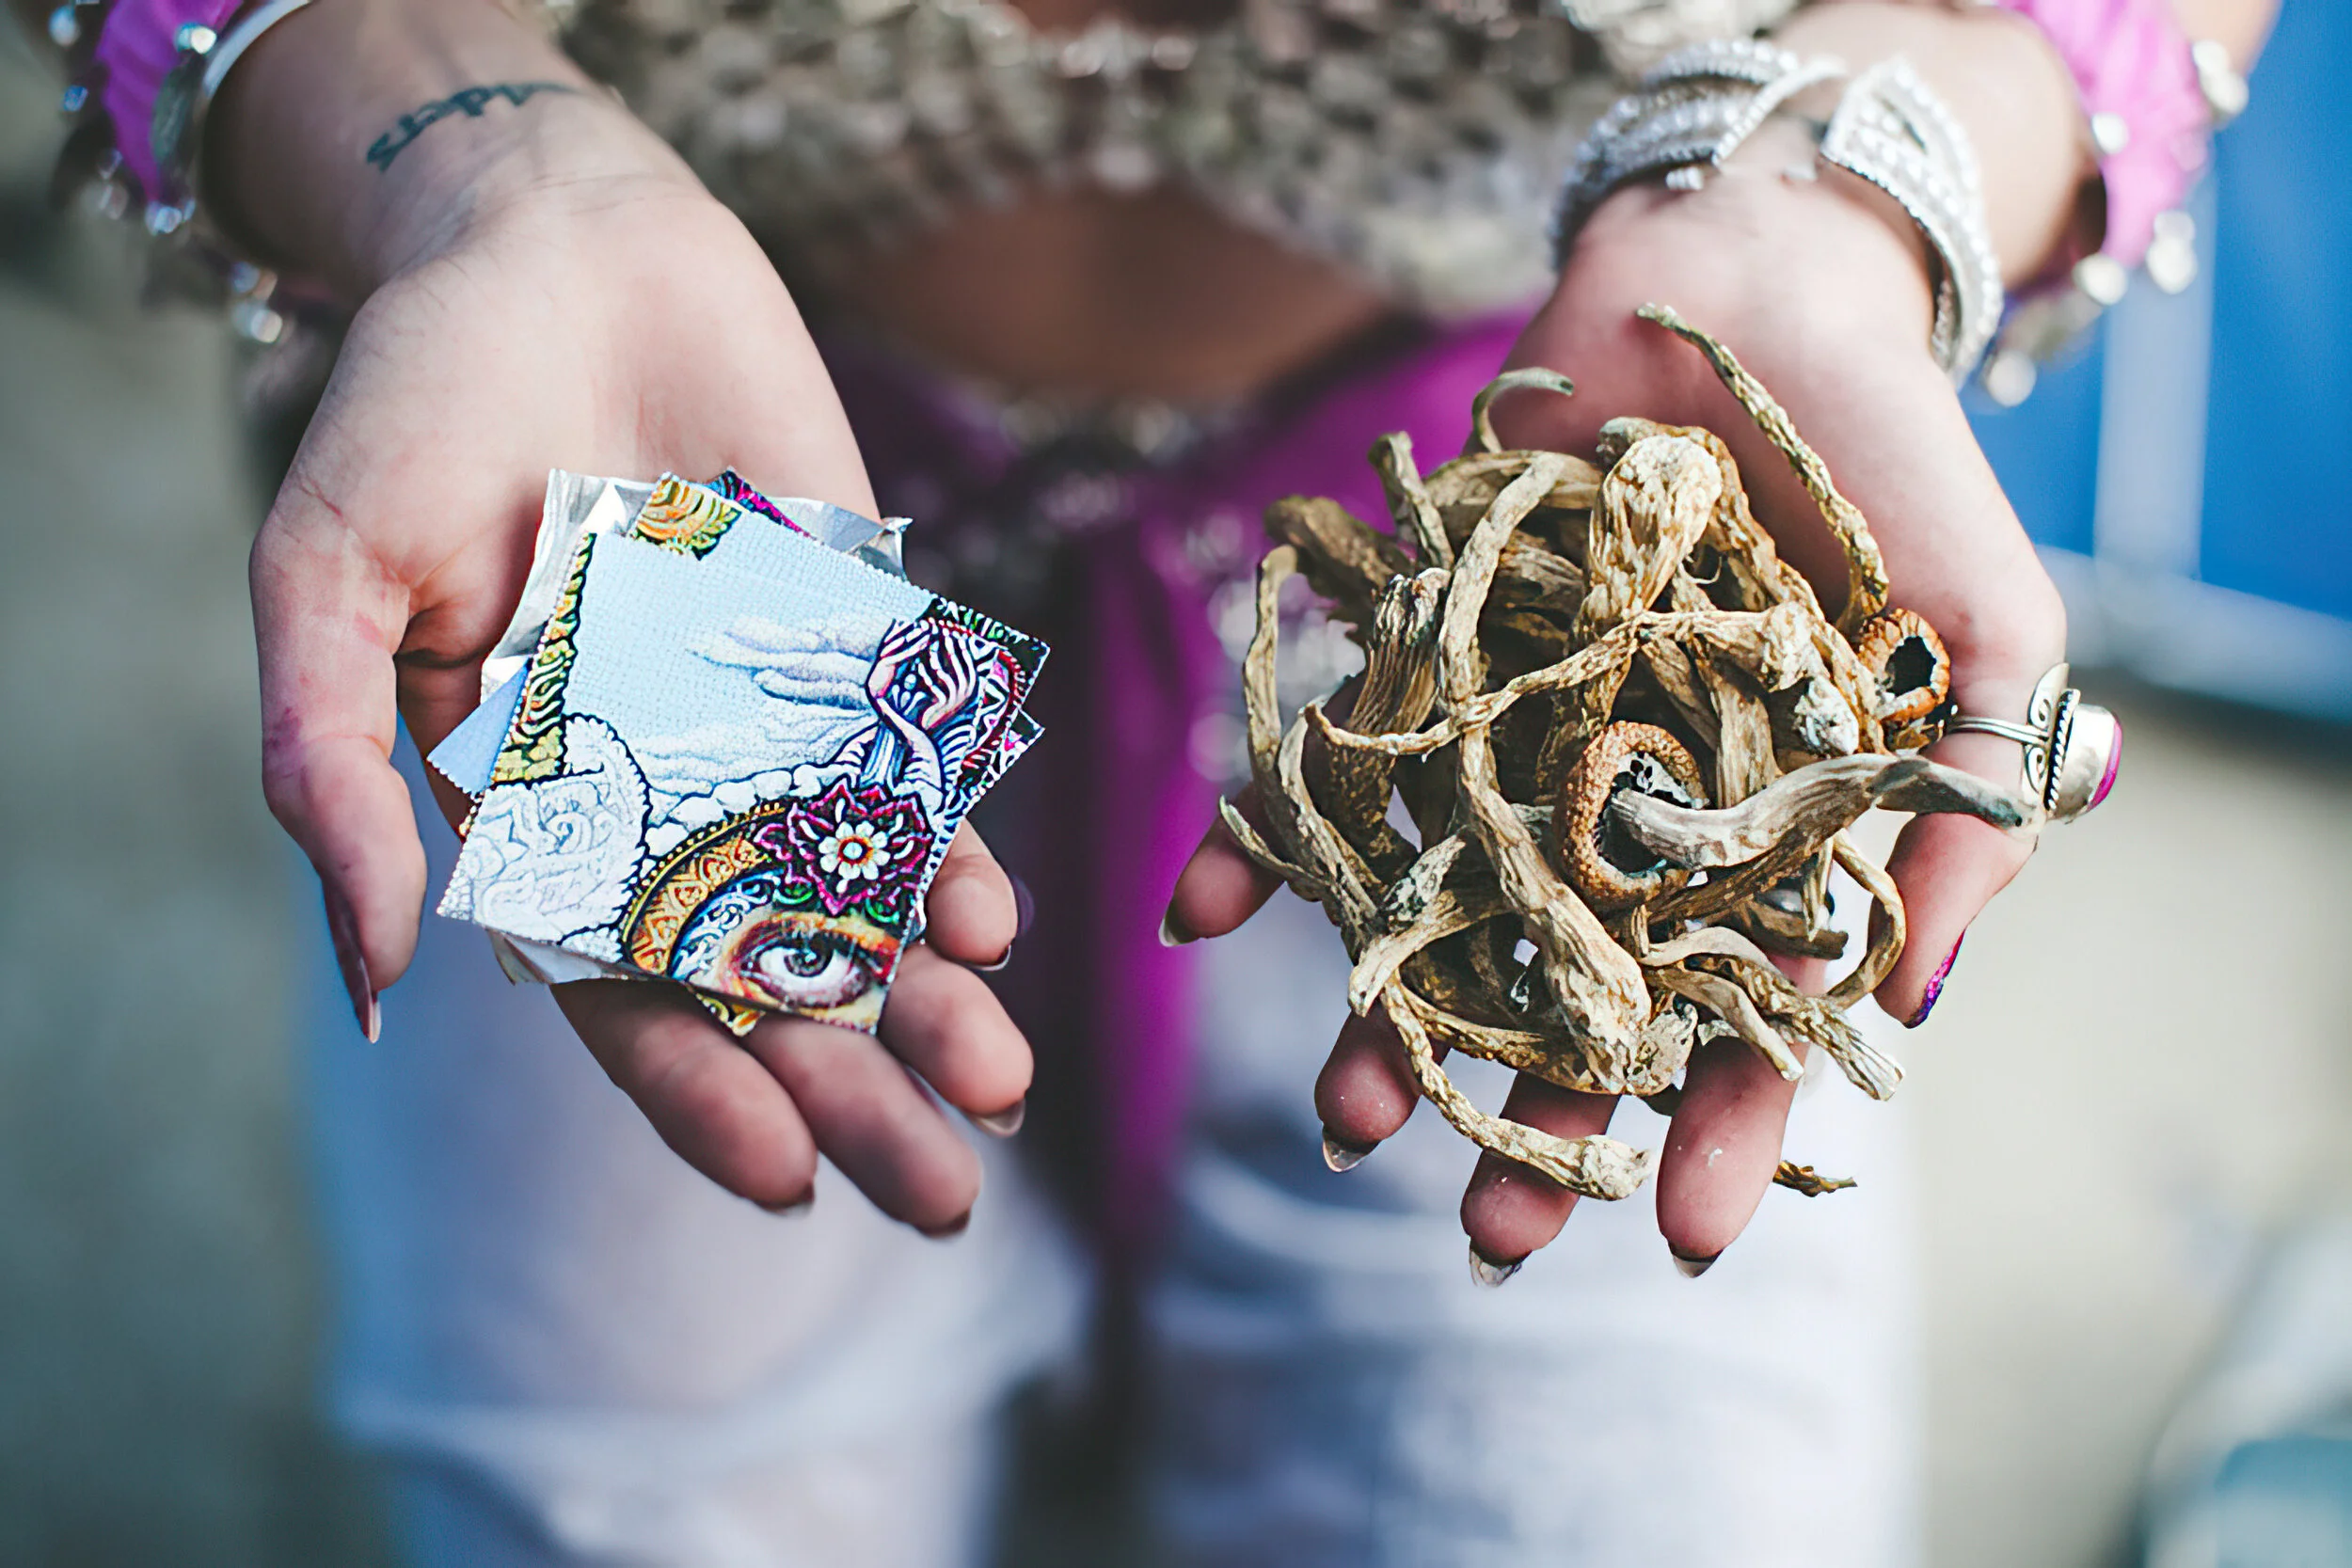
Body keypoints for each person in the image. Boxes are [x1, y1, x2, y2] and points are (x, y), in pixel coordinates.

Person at [11, 0, 2275, 1560]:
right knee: (646, 1488)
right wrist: (462, 161)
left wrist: (1849, 187)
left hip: (1513, 533)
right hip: (670, 514)